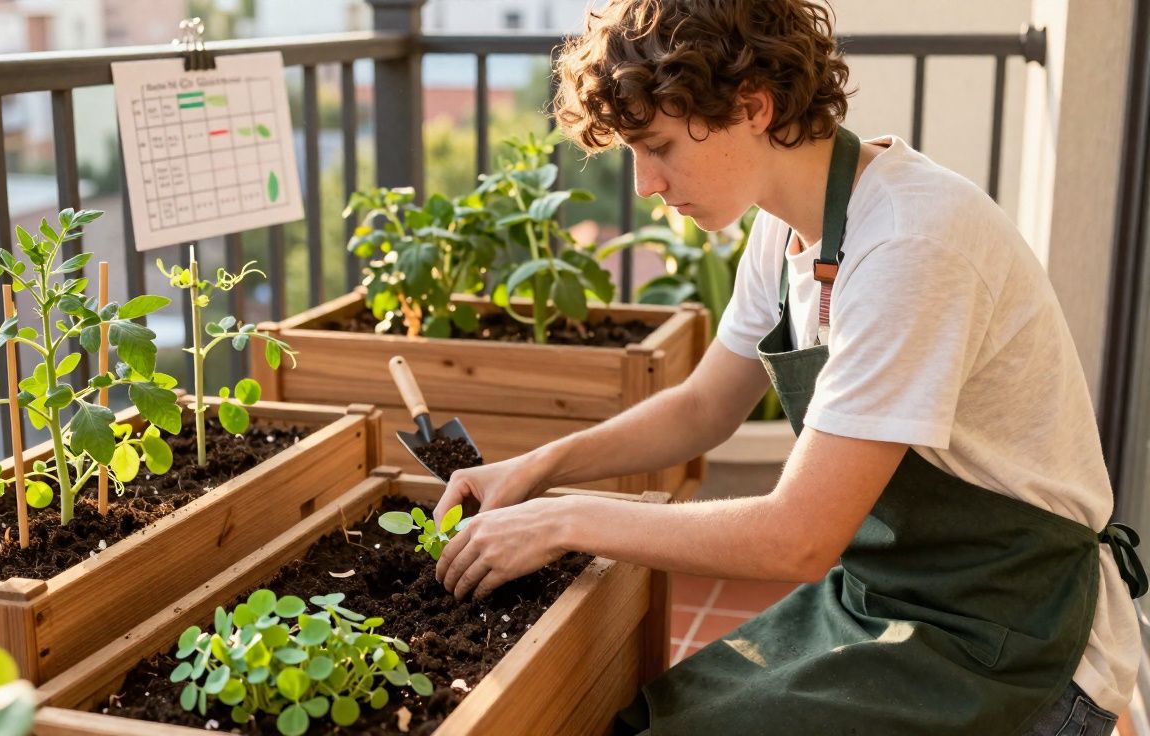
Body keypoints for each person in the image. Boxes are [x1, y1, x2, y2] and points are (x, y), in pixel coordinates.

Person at [429, 0, 1148, 733]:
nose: (644, 183)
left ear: (753, 106)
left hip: (1017, 641)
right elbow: (704, 407)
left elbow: (798, 538)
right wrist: (542, 467)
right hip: (886, 599)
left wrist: (567, 520)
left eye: (661, 146)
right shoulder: (787, 229)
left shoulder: (910, 243)